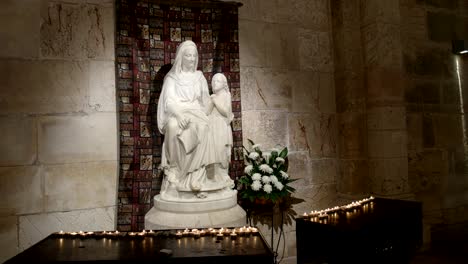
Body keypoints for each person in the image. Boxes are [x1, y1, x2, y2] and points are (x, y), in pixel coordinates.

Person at [157, 40, 215, 197]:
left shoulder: (199, 77)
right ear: (181, 57)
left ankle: (196, 177)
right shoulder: (172, 78)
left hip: (197, 112)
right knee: (173, 127)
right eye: (188, 55)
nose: (191, 58)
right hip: (177, 112)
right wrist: (180, 115)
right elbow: (168, 101)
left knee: (203, 128)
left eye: (194, 55)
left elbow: (206, 101)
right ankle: (174, 173)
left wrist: (218, 100)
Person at [207, 73, 234, 185]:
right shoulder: (212, 96)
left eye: (217, 81)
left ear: (224, 84)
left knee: (221, 151)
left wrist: (214, 101)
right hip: (212, 127)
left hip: (222, 127)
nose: (214, 83)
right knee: (213, 152)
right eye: (213, 81)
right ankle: (214, 177)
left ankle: (223, 177)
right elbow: (206, 112)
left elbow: (226, 112)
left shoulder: (226, 95)